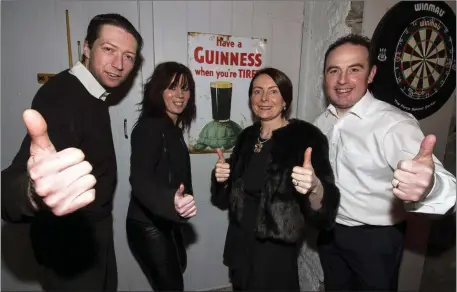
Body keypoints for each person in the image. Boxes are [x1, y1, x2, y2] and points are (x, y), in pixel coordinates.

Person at [1, 13, 143, 291]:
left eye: (128, 57)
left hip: (92, 233)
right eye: (109, 50)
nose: (119, 65)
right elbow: (12, 182)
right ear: (87, 48)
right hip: (68, 247)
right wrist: (34, 191)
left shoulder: (93, 93)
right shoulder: (63, 95)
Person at [314, 34, 456, 291]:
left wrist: (431, 187)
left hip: (375, 241)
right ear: (325, 76)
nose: (342, 80)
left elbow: (446, 188)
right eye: (334, 70)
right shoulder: (322, 121)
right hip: (330, 232)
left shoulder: (393, 124)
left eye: (354, 69)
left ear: (371, 74)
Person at [211, 67, 340, 290]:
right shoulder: (247, 137)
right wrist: (221, 178)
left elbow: (324, 211)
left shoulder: (306, 138)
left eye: (273, 91)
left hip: (275, 245)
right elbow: (227, 196)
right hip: (240, 236)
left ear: (285, 100)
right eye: (257, 91)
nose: (264, 99)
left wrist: (315, 187)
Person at [126, 61, 197, 291]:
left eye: (184, 88)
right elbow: (139, 180)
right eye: (172, 87)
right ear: (159, 91)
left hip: (167, 219)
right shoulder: (151, 126)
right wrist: (171, 200)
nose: (179, 95)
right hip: (148, 224)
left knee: (179, 269)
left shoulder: (172, 128)